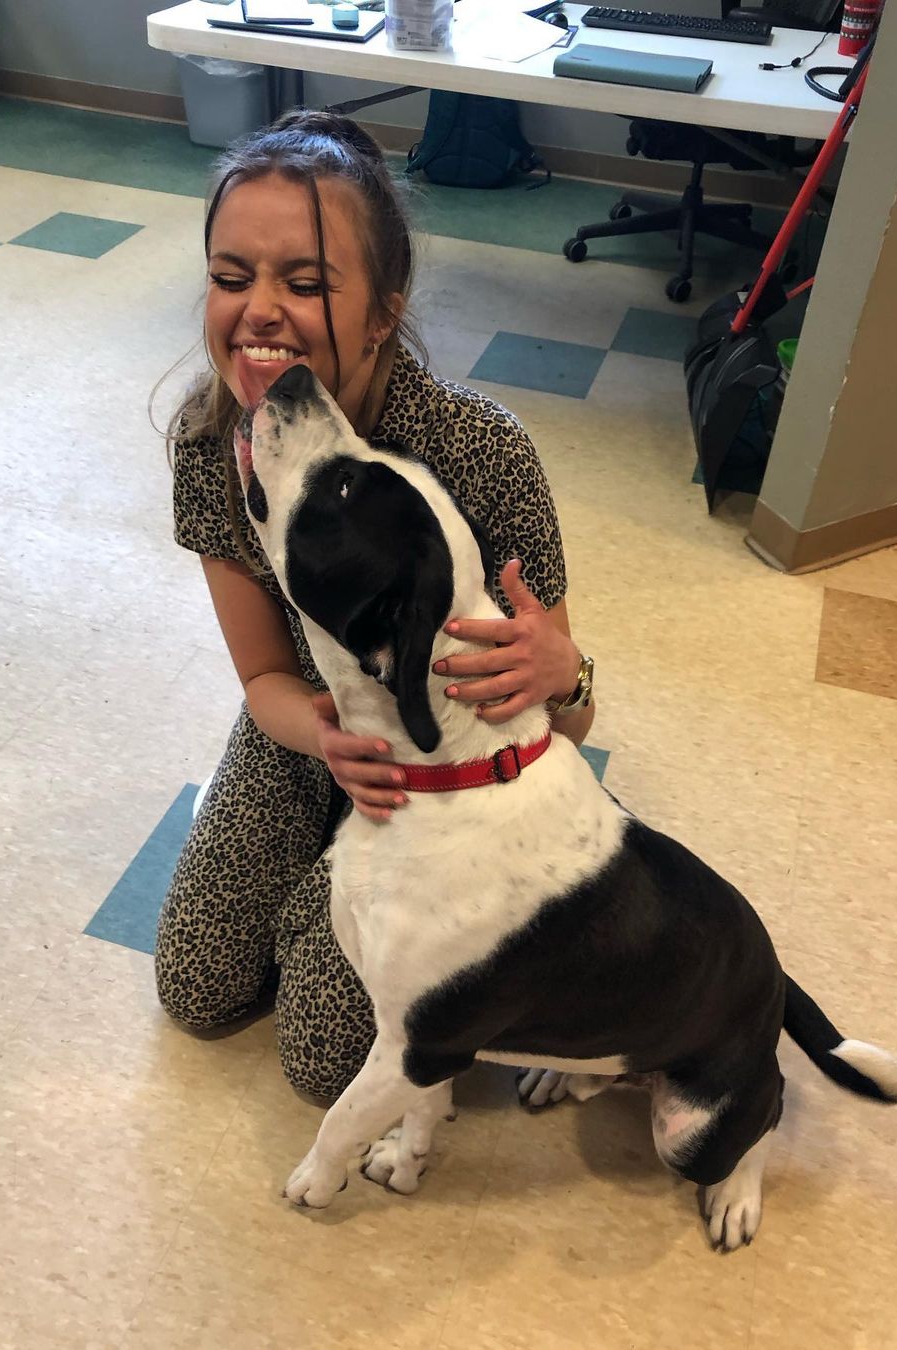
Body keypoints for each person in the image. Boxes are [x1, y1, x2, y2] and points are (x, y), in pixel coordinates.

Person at [155, 109, 596, 1099]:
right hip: (314, 729)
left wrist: (570, 673)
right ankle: (315, 861)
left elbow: (565, 710)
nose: (258, 309)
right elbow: (266, 673)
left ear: (384, 310)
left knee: (321, 1059)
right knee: (196, 983)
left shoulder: (480, 451)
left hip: (445, 765)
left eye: (304, 283)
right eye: (232, 278)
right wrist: (323, 745)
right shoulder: (208, 441)